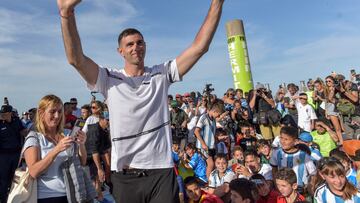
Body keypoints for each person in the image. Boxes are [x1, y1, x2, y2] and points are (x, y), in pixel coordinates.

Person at [57, 0, 224, 201]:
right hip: (126, 175)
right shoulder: (108, 78)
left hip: (161, 173)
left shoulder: (161, 74)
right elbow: (76, 59)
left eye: (140, 42)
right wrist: (67, 13)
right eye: (129, 44)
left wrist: (217, 3)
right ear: (120, 51)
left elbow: (200, 47)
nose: (136, 47)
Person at [23, 95, 88, 202]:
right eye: (52, 111)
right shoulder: (34, 138)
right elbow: (33, 172)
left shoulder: (67, 134)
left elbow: (82, 162)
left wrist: (81, 144)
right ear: (41, 113)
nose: (57, 116)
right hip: (47, 196)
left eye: (59, 111)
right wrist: (56, 149)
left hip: (72, 194)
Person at [270, 126, 316, 193]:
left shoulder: (304, 156)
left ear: (295, 141)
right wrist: (277, 185)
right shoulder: (276, 153)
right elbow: (274, 170)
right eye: (281, 138)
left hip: (301, 192)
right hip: (283, 191)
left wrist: (308, 187)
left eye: (286, 139)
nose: (283, 141)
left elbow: (313, 174)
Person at [0, 104, 28, 202]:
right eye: (2, 113)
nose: (3, 115)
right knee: (3, 180)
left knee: (15, 177)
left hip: (16, 154)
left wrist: (30, 132)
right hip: (3, 156)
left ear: (10, 113)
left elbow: (23, 132)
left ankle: (14, 198)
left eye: (6, 113)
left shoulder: (17, 122)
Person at [85, 111, 112, 203]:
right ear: (101, 119)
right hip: (88, 157)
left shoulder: (105, 129)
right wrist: (100, 169)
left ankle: (100, 195)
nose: (109, 122)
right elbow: (94, 152)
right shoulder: (94, 130)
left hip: (97, 154)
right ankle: (98, 198)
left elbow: (106, 149)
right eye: (107, 120)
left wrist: (108, 167)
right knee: (97, 177)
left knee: (104, 174)